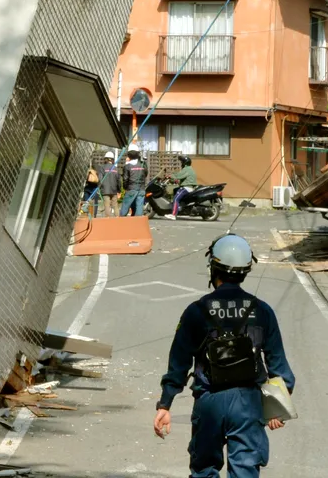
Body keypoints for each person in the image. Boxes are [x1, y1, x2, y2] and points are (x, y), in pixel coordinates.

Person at [155, 234, 294, 478]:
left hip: (210, 400)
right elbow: (278, 365)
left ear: (213, 268)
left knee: (204, 469)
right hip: (249, 402)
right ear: (246, 270)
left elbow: (178, 362)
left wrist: (165, 404)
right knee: (245, 470)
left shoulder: (196, 311)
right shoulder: (262, 311)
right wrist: (277, 408)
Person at [166, 155, 199, 220]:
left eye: (182, 162)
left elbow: (178, 175)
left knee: (176, 199)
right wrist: (174, 180)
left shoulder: (187, 169)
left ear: (185, 163)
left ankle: (173, 215)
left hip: (187, 188)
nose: (181, 163)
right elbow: (182, 178)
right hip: (188, 187)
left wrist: (170, 176)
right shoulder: (189, 169)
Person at [119, 149, 147, 217]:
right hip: (141, 188)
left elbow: (125, 179)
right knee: (139, 207)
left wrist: (125, 188)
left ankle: (121, 222)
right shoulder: (143, 165)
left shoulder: (127, 166)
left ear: (130, 157)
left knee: (125, 205)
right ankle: (137, 222)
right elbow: (146, 174)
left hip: (131, 188)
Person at [98, 151, 122, 217]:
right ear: (112, 159)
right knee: (115, 205)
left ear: (105, 159)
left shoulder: (102, 168)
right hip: (114, 190)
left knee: (107, 205)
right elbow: (119, 181)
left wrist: (100, 187)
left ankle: (108, 219)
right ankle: (117, 218)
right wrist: (119, 190)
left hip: (105, 190)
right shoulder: (116, 168)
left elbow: (100, 179)